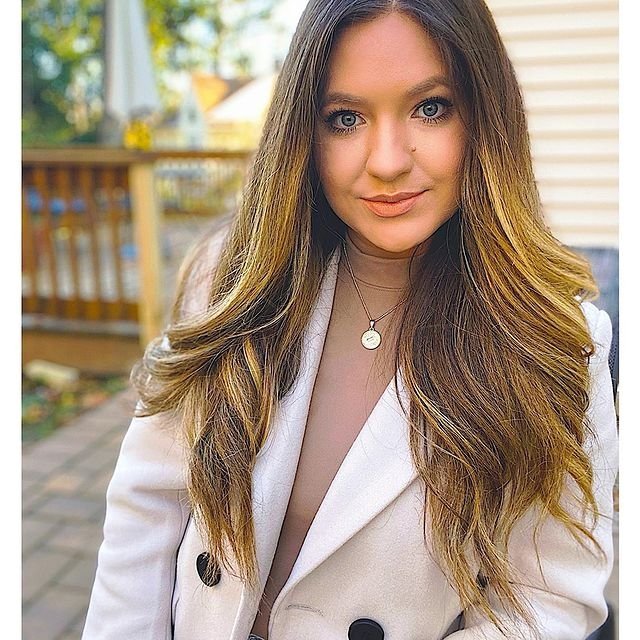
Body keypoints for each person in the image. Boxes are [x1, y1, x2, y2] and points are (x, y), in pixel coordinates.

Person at [82, 1, 618, 639]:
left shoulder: (555, 342)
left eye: (430, 108)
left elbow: (547, 599)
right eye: (345, 118)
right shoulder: (231, 278)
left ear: (485, 115)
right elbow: (148, 508)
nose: (387, 160)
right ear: (304, 135)